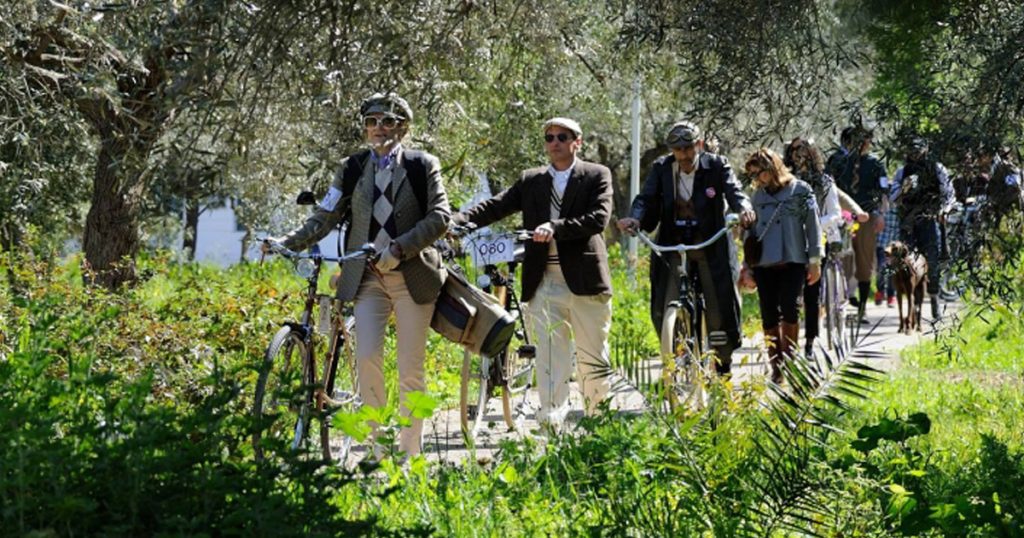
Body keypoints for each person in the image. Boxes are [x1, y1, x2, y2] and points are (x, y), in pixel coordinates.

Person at [266, 92, 451, 458]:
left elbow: (441, 216)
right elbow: (325, 215)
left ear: (402, 128)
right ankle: (378, 452)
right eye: (372, 122)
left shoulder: (422, 164)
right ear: (365, 128)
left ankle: (409, 455)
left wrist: (399, 248)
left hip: (412, 276)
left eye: (387, 121)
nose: (379, 128)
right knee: (366, 360)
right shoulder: (351, 168)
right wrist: (286, 242)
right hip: (368, 278)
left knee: (410, 369)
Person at [452, 117, 613, 432]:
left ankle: (598, 423)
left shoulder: (597, 175)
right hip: (544, 279)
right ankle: (552, 421)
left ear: (577, 142)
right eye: (549, 137)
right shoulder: (532, 180)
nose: (555, 143)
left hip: (585, 280)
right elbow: (496, 206)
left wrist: (555, 227)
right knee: (550, 356)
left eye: (562, 137)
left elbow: (599, 218)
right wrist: (457, 222)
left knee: (592, 356)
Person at [617, 121, 755, 376]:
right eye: (678, 149)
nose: (684, 154)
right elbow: (645, 199)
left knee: (718, 302)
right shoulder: (662, 168)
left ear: (699, 145)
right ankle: (675, 354)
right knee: (665, 297)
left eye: (688, 147)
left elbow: (735, 191)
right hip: (673, 243)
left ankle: (723, 364)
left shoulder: (716, 165)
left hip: (709, 243)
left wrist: (744, 209)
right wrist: (635, 218)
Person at [783, 137, 867, 356]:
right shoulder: (785, 180)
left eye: (803, 150)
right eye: (795, 150)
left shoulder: (824, 181)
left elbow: (835, 212)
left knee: (812, 292)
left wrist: (815, 225)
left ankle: (810, 341)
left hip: (818, 238)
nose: (799, 155)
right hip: (791, 241)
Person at [745, 148, 821, 383]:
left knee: (790, 308)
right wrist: (747, 267)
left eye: (759, 173)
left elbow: (813, 227)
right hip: (764, 263)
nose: (757, 179)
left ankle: (789, 362)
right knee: (768, 314)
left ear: (772, 168)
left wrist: (815, 261)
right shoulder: (756, 197)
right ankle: (776, 367)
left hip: (792, 259)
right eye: (753, 175)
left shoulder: (800, 190)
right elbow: (750, 235)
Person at [826, 123, 888, 322]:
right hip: (841, 216)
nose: (866, 144)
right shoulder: (837, 161)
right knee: (841, 259)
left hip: (866, 217)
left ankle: (862, 309)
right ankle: (839, 306)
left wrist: (880, 214)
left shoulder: (875, 164)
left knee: (864, 261)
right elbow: (828, 186)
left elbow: (882, 192)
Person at [890, 137, 955, 320]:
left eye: (918, 150)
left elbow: (948, 193)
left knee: (933, 261)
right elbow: (893, 197)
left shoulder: (937, 168)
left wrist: (944, 210)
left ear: (926, 150)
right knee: (906, 263)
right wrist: (903, 189)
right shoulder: (902, 172)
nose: (915, 153)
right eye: (912, 150)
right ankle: (911, 306)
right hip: (909, 223)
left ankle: (934, 298)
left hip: (930, 220)